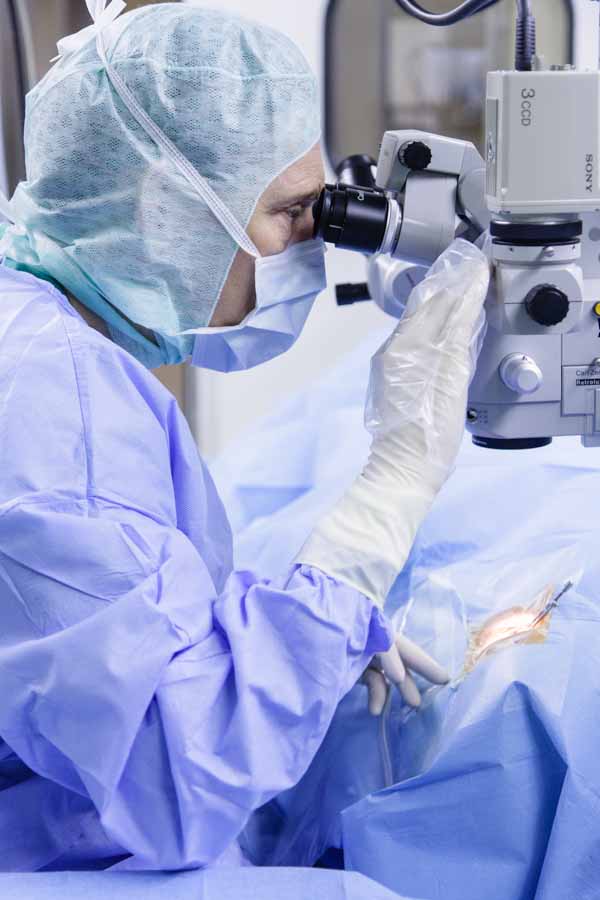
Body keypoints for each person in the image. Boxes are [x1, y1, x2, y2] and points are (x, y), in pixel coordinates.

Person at [0, 1, 490, 873]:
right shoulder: (55, 407)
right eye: (291, 211)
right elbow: (172, 777)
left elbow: (120, 608)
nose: (311, 243)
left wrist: (308, 636)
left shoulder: (39, 333)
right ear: (163, 211)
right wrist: (392, 489)